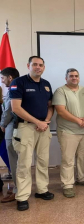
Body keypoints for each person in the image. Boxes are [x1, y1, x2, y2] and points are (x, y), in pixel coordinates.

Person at [10, 56, 54, 211]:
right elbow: (16, 108)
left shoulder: (47, 84)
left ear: (44, 67)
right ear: (28, 65)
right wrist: (37, 122)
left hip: (43, 127)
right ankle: (22, 196)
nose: (38, 67)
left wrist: (46, 121)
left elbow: (50, 106)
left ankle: (42, 190)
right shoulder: (18, 83)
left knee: (43, 161)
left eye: (41, 65)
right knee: (24, 163)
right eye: (34, 64)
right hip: (26, 128)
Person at [52, 68, 84, 198]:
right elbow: (60, 111)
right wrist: (78, 120)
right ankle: (67, 185)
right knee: (68, 160)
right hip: (67, 131)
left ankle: (81, 178)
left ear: (79, 78)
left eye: (76, 76)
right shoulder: (60, 91)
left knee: (82, 157)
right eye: (71, 76)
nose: (74, 78)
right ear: (66, 78)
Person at [0, 67, 20, 203]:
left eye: (3, 78)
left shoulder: (14, 88)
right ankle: (18, 187)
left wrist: (2, 124)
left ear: (10, 78)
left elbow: (8, 110)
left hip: (12, 128)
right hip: (18, 129)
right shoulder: (22, 85)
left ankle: (17, 191)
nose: (2, 81)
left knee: (14, 161)